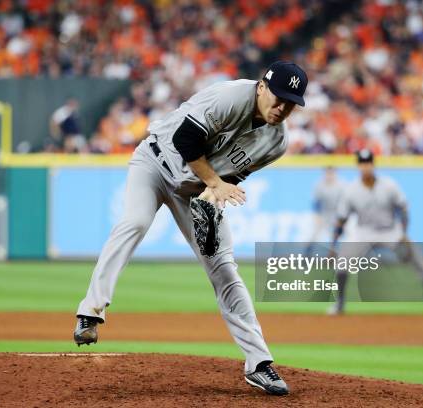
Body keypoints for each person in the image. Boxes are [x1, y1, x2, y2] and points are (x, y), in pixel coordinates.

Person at [74, 61, 309, 396]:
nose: (282, 106)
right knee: (135, 222)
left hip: (193, 190)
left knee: (224, 268)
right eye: (279, 96)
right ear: (262, 86)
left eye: (291, 103)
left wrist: (209, 206)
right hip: (155, 163)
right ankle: (90, 313)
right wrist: (214, 182)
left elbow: (227, 179)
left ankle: (259, 363)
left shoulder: (276, 143)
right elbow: (187, 139)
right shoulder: (230, 97)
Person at [329, 149, 423, 316]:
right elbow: (341, 219)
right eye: (362, 163)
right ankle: (340, 305)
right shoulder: (351, 190)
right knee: (342, 262)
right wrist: (333, 244)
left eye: (368, 163)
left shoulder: (389, 185)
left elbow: (403, 209)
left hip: (390, 231)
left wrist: (404, 232)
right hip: (364, 232)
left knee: (420, 263)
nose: (365, 167)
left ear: (373, 165)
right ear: (358, 166)